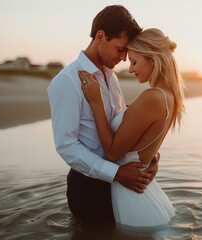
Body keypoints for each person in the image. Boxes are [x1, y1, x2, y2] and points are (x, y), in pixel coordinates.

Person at [47, 5, 160, 224]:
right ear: (101, 36)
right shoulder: (67, 81)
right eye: (120, 49)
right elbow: (66, 145)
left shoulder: (112, 78)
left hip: (120, 183)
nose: (124, 57)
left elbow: (121, 126)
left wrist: (149, 158)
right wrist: (116, 174)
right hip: (89, 188)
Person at [78, 28, 185, 230]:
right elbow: (146, 139)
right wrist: (154, 159)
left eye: (134, 61)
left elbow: (111, 153)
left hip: (132, 199)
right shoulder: (168, 95)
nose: (130, 69)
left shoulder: (152, 97)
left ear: (153, 59)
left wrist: (97, 103)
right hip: (144, 195)